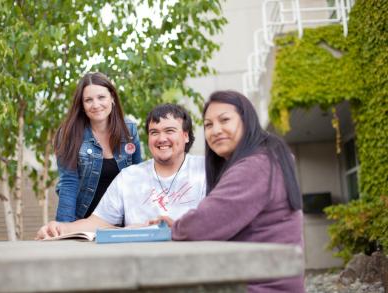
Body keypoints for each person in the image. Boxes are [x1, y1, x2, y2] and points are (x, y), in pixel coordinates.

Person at [151, 91, 304, 293]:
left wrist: (178, 228)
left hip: (259, 286)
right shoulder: (268, 157)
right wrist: (181, 226)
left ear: (246, 121)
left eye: (224, 120)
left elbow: (204, 223)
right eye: (208, 125)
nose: (216, 130)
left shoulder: (256, 165)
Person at [36, 104, 205, 238]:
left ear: (185, 135)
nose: (161, 139)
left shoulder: (206, 171)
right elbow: (98, 222)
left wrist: (178, 228)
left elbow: (221, 220)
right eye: (154, 132)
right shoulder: (129, 177)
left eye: (170, 131)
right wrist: (61, 228)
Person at [54, 72, 142, 222]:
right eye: (88, 100)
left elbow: (137, 177)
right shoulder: (69, 133)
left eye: (101, 97)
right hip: (83, 220)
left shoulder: (129, 130)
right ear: (81, 105)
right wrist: (65, 228)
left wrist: (139, 220)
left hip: (122, 221)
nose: (96, 105)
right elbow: (69, 182)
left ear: (112, 98)